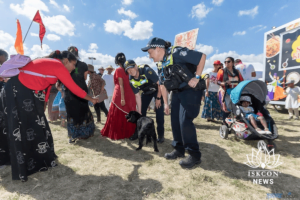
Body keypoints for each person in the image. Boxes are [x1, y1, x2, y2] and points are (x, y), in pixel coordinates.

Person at [0, 50, 98, 181]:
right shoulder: (58, 65)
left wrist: (44, 103)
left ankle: (41, 158)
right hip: (17, 91)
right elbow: (73, 88)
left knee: (37, 125)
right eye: (73, 64)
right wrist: (91, 99)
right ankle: (26, 162)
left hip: (25, 92)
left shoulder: (53, 66)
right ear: (66, 61)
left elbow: (46, 87)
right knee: (24, 128)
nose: (74, 68)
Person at [142, 37, 205, 168]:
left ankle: (194, 155)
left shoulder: (176, 53)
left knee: (185, 121)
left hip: (190, 90)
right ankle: (179, 149)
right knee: (175, 121)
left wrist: (197, 77)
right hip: (176, 93)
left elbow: (202, 57)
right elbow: (163, 85)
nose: (149, 56)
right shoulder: (160, 64)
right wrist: (166, 103)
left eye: (150, 52)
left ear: (158, 49)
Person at [125, 60, 168, 143]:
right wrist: (140, 111)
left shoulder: (147, 71)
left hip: (157, 90)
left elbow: (160, 84)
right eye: (128, 70)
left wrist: (158, 98)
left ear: (136, 66)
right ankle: (139, 133)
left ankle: (160, 135)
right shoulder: (131, 80)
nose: (130, 71)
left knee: (159, 114)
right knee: (140, 115)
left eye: (131, 68)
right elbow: (137, 96)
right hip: (146, 93)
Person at [101, 53, 140, 140]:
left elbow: (121, 85)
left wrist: (122, 98)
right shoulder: (129, 69)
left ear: (117, 61)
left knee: (118, 113)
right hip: (130, 92)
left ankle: (119, 132)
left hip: (120, 93)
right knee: (130, 111)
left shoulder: (118, 70)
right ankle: (130, 132)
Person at [65, 46, 95, 143]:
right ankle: (85, 134)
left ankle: (73, 135)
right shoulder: (83, 65)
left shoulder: (65, 64)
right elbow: (85, 78)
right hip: (82, 92)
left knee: (71, 114)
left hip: (69, 93)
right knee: (84, 112)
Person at [217, 57, 244, 125]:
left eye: (228, 61)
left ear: (232, 63)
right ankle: (225, 124)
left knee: (236, 106)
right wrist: (224, 83)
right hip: (225, 91)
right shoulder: (222, 71)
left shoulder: (237, 72)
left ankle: (236, 123)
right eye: (225, 62)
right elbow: (217, 81)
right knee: (226, 107)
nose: (226, 63)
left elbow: (241, 81)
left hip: (235, 91)